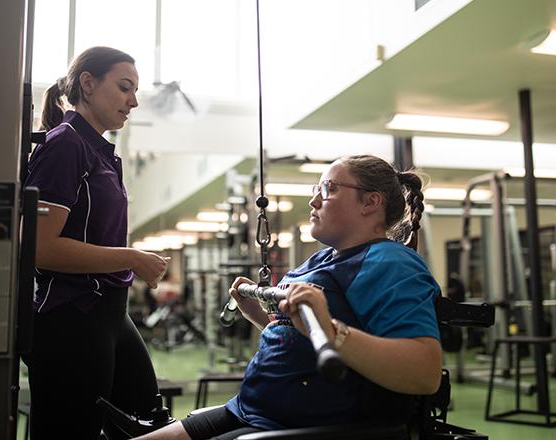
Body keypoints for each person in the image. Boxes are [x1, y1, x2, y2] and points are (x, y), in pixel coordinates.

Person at [136, 155, 443, 440]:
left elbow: (425, 373)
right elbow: (300, 339)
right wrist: (259, 316)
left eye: (328, 189)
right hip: (249, 408)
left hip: (302, 426)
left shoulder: (391, 263)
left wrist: (330, 329)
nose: (313, 200)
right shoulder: (323, 259)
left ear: (370, 202)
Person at [25, 46, 170, 439]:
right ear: (87, 84)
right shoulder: (66, 145)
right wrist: (131, 258)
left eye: (135, 90)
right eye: (125, 88)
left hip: (108, 312)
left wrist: (129, 260)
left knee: (147, 421)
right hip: (71, 314)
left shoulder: (99, 151)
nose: (133, 101)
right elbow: (41, 247)